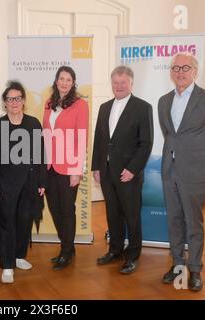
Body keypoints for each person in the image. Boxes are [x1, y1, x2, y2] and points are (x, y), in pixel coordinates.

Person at [158, 52, 205, 291]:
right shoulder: (164, 101)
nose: (180, 72)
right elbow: (170, 135)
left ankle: (195, 269)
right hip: (169, 171)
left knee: (193, 222)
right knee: (174, 220)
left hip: (195, 173)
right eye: (175, 68)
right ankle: (177, 264)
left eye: (185, 68)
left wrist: (204, 162)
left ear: (195, 71)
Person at [92, 65, 153, 275]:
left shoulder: (143, 107)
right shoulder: (104, 107)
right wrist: (96, 167)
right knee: (112, 213)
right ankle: (115, 250)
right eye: (115, 83)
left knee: (132, 216)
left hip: (129, 174)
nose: (118, 86)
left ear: (131, 83)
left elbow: (146, 143)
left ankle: (133, 255)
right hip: (107, 172)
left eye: (123, 83)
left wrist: (133, 170)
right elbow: (99, 140)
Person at [0, 81, 46, 283]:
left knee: (24, 222)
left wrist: (41, 182)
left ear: (23, 101)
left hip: (29, 184)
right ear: (5, 102)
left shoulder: (33, 123)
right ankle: (7, 265)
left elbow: (40, 156)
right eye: (10, 99)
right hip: (5, 185)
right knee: (6, 224)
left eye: (18, 98)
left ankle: (19, 256)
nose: (14, 102)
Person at [42, 66, 89, 270]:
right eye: (61, 78)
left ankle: (66, 251)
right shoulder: (49, 103)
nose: (64, 82)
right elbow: (45, 134)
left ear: (73, 82)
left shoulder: (80, 105)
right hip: (49, 166)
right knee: (54, 208)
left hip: (69, 166)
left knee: (67, 210)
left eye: (68, 79)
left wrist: (77, 170)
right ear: (56, 80)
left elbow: (82, 138)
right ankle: (67, 246)